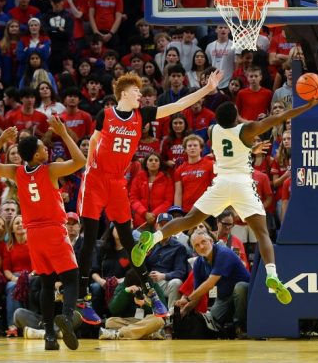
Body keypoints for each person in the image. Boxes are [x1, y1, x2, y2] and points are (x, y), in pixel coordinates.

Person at [132, 94, 318, 305]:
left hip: (221, 183)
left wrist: (250, 150)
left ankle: (156, 237)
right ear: (236, 117)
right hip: (242, 185)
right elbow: (279, 118)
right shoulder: (247, 129)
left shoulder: (213, 130)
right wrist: (309, 105)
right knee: (262, 234)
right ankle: (272, 275)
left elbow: (231, 146)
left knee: (190, 220)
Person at [76, 70, 222, 316]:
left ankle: (151, 293)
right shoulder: (105, 115)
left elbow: (177, 105)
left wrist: (207, 89)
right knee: (89, 238)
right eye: (136, 91)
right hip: (96, 178)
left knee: (131, 241)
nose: (140, 95)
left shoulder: (141, 115)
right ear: (124, 93)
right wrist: (89, 168)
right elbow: (93, 141)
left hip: (117, 182)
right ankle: (82, 297)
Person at [0, 117, 85, 351]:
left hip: (33, 235)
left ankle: (49, 335)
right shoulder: (50, 170)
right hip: (54, 230)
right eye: (42, 147)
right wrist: (64, 133)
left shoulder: (17, 172)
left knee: (47, 284)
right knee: (70, 278)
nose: (46, 148)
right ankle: (66, 319)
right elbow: (80, 160)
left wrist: (1, 140)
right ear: (37, 155)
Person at [98, 268, 167, 340]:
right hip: (131, 321)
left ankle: (118, 334)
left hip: (147, 320)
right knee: (110, 322)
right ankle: (150, 334)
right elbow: (113, 309)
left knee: (158, 320)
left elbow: (163, 312)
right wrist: (125, 293)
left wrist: (144, 304)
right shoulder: (123, 287)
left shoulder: (153, 286)